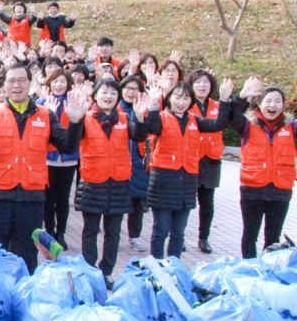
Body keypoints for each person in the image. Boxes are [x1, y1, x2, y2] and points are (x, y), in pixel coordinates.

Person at [0, 63, 86, 273]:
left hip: (31, 197)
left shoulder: (46, 115)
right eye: (11, 81)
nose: (16, 85)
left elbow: (67, 146)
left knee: (27, 254)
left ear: (30, 83)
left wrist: (75, 122)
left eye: (21, 80)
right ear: (5, 84)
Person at [143, 78, 234, 258]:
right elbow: (152, 128)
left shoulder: (194, 120)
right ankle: (156, 267)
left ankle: (174, 266)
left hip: (187, 182)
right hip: (163, 181)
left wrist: (224, 101)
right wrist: (153, 105)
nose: (181, 102)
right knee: (160, 231)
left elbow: (218, 125)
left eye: (185, 99)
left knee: (178, 233)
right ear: (169, 99)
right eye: (177, 97)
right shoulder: (161, 117)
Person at [73, 80, 149, 287]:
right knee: (90, 230)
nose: (108, 96)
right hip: (93, 182)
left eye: (113, 93)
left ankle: (106, 270)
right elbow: (72, 141)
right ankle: (89, 270)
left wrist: (141, 118)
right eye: (104, 92)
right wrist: (74, 120)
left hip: (118, 183)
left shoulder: (124, 118)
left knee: (113, 232)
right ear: (95, 95)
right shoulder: (85, 118)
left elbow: (139, 135)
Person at [231, 78, 294, 258]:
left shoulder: (292, 127)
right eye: (268, 100)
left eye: (277, 101)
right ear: (259, 104)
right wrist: (241, 97)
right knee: (250, 235)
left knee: (273, 237)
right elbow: (233, 114)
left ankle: (268, 271)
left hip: (280, 192)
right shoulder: (247, 125)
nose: (272, 105)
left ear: (283, 105)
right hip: (252, 190)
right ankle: (250, 269)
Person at [38, 69, 79, 249]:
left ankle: (61, 232)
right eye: (55, 81)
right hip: (48, 159)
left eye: (62, 81)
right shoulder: (41, 103)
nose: (59, 85)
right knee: (48, 198)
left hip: (68, 159)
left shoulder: (74, 103)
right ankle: (49, 231)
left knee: (63, 199)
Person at [188, 70, 225, 254]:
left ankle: (204, 237)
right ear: (192, 85)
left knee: (207, 202)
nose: (202, 86)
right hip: (190, 158)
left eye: (206, 83)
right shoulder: (185, 104)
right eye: (198, 82)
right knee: (186, 201)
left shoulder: (217, 106)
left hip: (211, 159)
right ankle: (179, 235)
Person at [117, 75, 150, 253]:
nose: (131, 92)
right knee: (118, 201)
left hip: (139, 161)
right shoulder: (115, 108)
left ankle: (134, 235)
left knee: (137, 202)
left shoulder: (144, 110)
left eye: (135, 89)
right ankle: (112, 233)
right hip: (119, 162)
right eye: (127, 88)